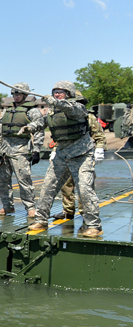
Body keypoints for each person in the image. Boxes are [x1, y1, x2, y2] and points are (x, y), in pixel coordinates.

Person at [23, 81, 102, 238]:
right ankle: (41, 220)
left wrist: (56, 102)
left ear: (69, 94)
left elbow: (70, 108)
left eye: (60, 92)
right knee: (47, 187)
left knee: (85, 190)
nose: (56, 94)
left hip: (81, 155)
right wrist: (30, 127)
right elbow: (44, 121)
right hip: (61, 154)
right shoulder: (54, 110)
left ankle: (94, 225)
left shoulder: (77, 107)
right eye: (55, 92)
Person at [0, 83, 43, 217]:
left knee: (24, 180)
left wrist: (36, 150)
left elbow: (39, 131)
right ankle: (7, 206)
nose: (16, 96)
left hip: (21, 148)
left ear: (25, 95)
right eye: (14, 94)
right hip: (4, 149)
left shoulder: (32, 111)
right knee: (3, 180)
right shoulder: (7, 111)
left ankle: (30, 207)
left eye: (19, 94)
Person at [52, 90, 106, 220]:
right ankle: (68, 210)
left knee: (85, 186)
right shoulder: (62, 118)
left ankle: (85, 212)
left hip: (83, 155)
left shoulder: (87, 116)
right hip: (65, 155)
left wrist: (99, 150)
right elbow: (60, 138)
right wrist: (54, 151)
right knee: (66, 184)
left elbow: (99, 135)